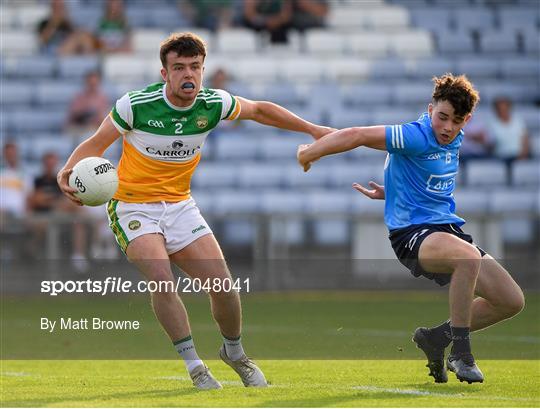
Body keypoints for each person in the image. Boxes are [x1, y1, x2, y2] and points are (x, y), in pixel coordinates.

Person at [57, 32, 333, 390]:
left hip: (179, 205)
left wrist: (312, 129)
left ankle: (234, 353)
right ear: (165, 73)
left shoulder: (212, 104)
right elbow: (95, 143)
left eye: (195, 67)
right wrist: (66, 171)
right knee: (161, 278)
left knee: (223, 287)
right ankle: (195, 367)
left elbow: (260, 110)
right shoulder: (135, 105)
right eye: (179, 67)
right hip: (132, 206)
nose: (188, 74)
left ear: (203, 69)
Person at [297, 74, 525, 384]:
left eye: (456, 121)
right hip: (413, 235)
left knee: (511, 300)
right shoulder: (416, 134)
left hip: (446, 231)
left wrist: (393, 191)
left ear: (466, 120)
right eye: (442, 117)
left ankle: (436, 338)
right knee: (467, 258)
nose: (446, 127)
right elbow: (357, 134)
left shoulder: (454, 137)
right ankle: (461, 352)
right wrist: (310, 153)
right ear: (430, 109)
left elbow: (420, 177)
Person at [28, 152, 89, 269]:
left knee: (78, 222)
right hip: (42, 217)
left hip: (60, 216)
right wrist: (55, 201)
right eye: (48, 164)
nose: (50, 166)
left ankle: (78, 255)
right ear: (44, 164)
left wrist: (48, 200)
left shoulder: (60, 180)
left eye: (53, 163)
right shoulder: (37, 180)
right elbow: (35, 200)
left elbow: (66, 199)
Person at [488, 96, 530, 179]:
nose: (502, 111)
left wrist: (523, 155)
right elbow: (490, 143)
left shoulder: (518, 120)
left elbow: (525, 138)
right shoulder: (490, 123)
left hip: (518, 156)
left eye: (504, 108)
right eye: (499, 108)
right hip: (500, 157)